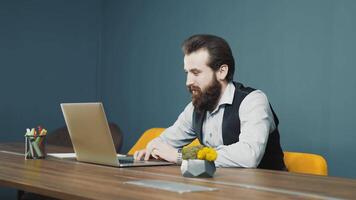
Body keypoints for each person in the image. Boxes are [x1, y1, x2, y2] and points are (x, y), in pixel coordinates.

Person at [134, 34, 285, 170]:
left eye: (196, 72)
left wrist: (182, 155)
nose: (188, 81)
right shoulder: (196, 106)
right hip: (222, 188)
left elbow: (249, 155)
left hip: (267, 190)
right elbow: (164, 142)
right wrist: (153, 149)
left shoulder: (253, 101)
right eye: (187, 73)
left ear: (222, 72)